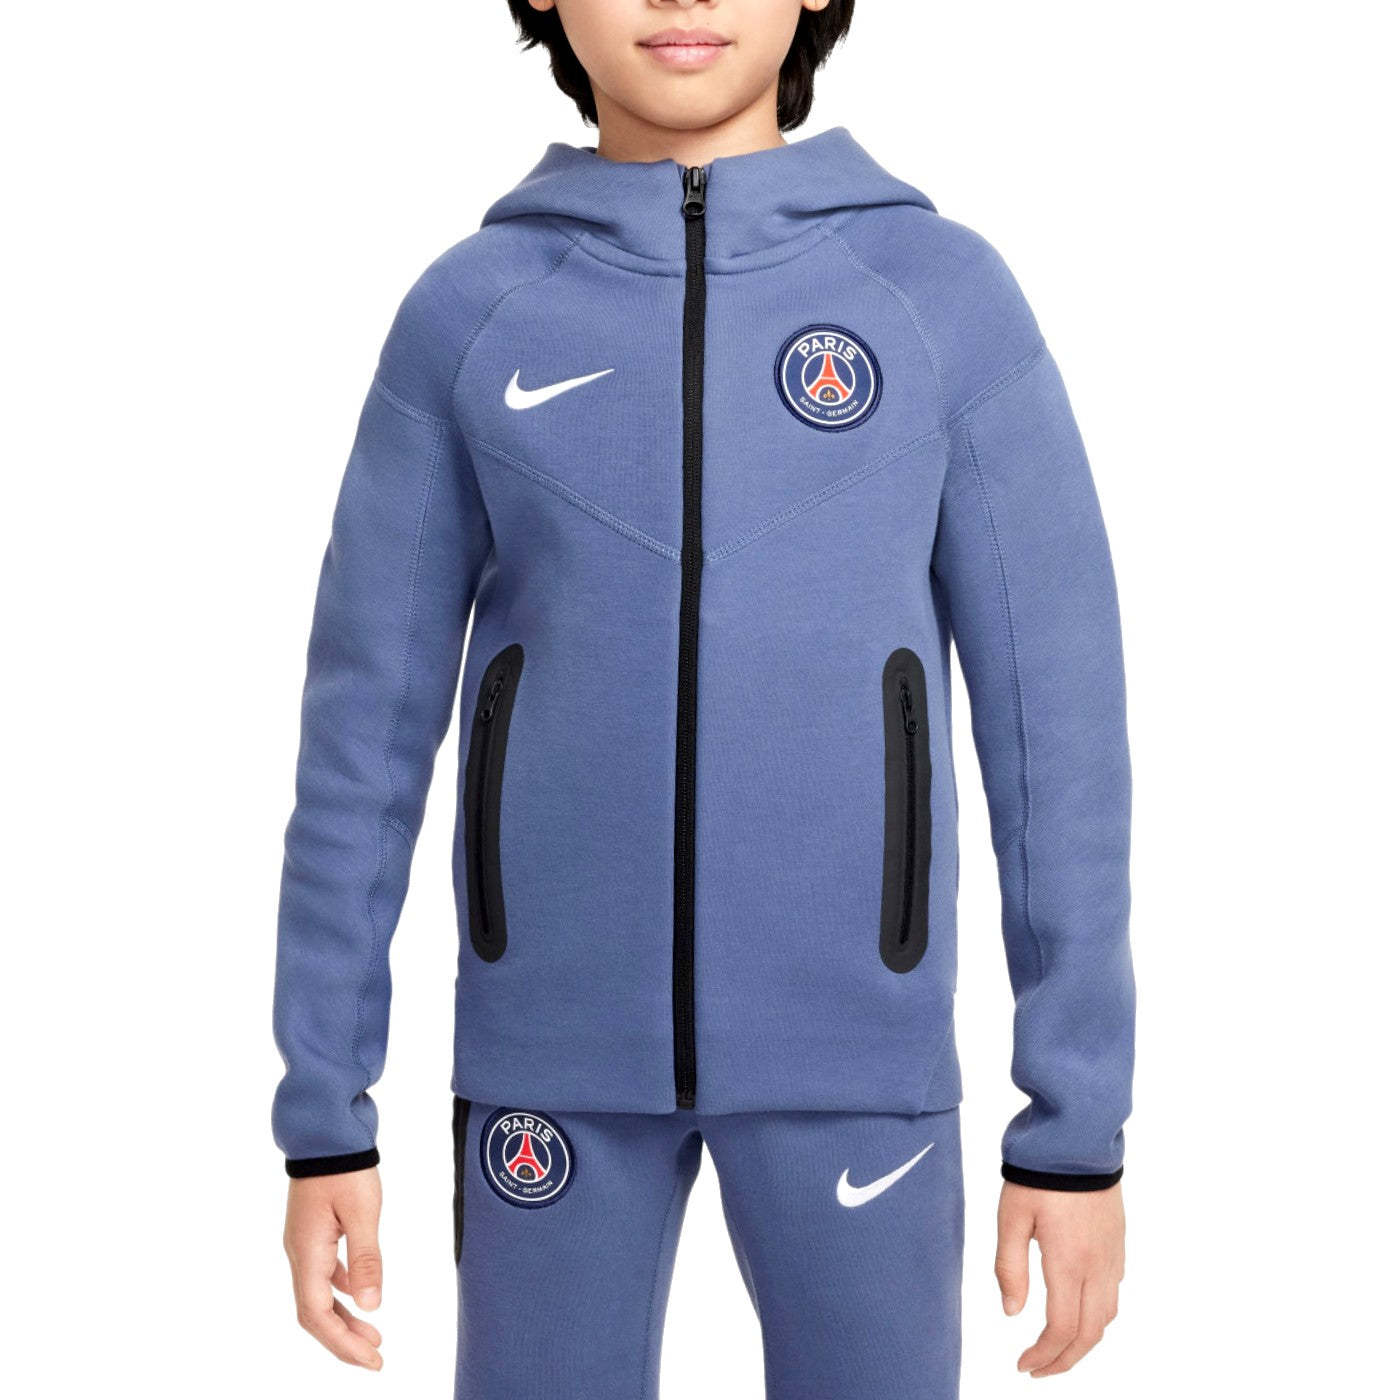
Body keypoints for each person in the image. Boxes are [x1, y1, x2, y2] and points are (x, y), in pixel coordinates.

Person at [273, 2, 1134, 1396]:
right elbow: (361, 739)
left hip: (860, 1067)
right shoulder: (472, 315)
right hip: (549, 1064)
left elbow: (1060, 734)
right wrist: (326, 1112)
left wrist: (1074, 1129)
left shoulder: (938, 300)